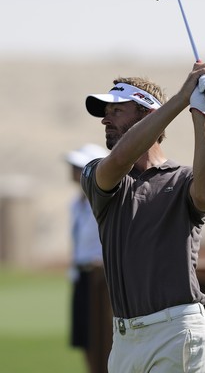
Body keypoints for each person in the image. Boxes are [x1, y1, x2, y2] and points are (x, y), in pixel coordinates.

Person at [81, 62, 205, 372]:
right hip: (124, 341)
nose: (105, 118)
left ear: (147, 114)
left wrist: (201, 113)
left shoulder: (184, 178)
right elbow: (120, 159)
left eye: (117, 110)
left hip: (177, 331)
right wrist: (183, 97)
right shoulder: (99, 173)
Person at [66, 143, 113, 373]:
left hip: (102, 279)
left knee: (103, 338)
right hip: (81, 277)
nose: (73, 170)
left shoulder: (105, 202)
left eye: (78, 166)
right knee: (85, 339)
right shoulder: (76, 205)